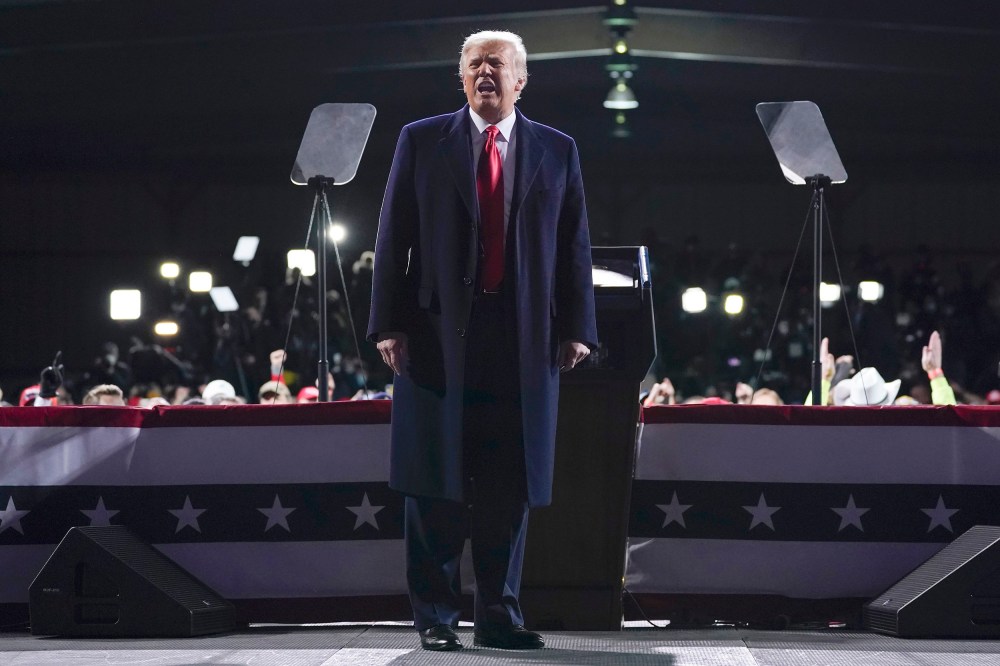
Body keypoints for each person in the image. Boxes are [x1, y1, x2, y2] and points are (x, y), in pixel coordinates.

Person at [367, 30, 597, 652]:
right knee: (435, 480)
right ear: (460, 79)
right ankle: (436, 620)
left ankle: (499, 616)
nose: (484, 74)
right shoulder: (421, 140)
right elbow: (394, 237)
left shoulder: (558, 150)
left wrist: (578, 326)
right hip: (437, 337)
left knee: (507, 485)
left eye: (496, 65)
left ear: (521, 81)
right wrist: (387, 322)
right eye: (474, 66)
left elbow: (574, 246)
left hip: (523, 341)